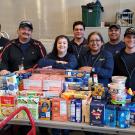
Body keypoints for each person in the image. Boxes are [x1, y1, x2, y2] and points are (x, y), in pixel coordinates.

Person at [113, 27, 135, 91]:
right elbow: (114, 77)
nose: (131, 40)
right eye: (128, 37)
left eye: (134, 37)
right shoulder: (117, 57)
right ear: (124, 39)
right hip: (122, 95)